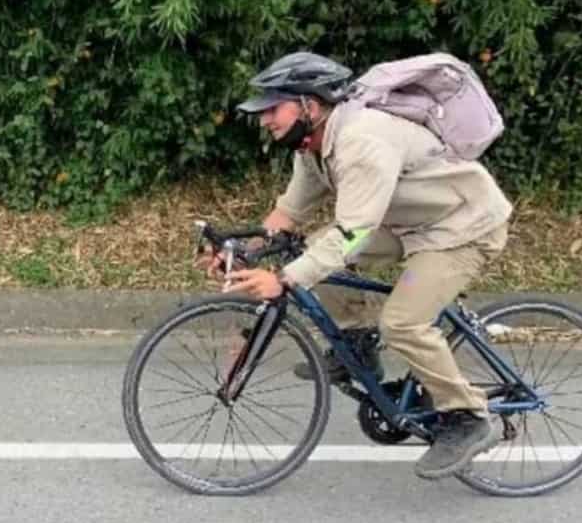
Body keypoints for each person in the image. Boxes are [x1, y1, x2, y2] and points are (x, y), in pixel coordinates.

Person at [213, 52, 513, 479]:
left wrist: (282, 279)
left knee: (404, 322)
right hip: (410, 224)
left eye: (272, 108)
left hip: (460, 228)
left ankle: (467, 418)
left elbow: (352, 233)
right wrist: (238, 251)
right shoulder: (312, 147)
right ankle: (357, 341)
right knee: (314, 251)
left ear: (308, 105)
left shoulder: (360, 141)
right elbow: (288, 213)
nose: (264, 119)